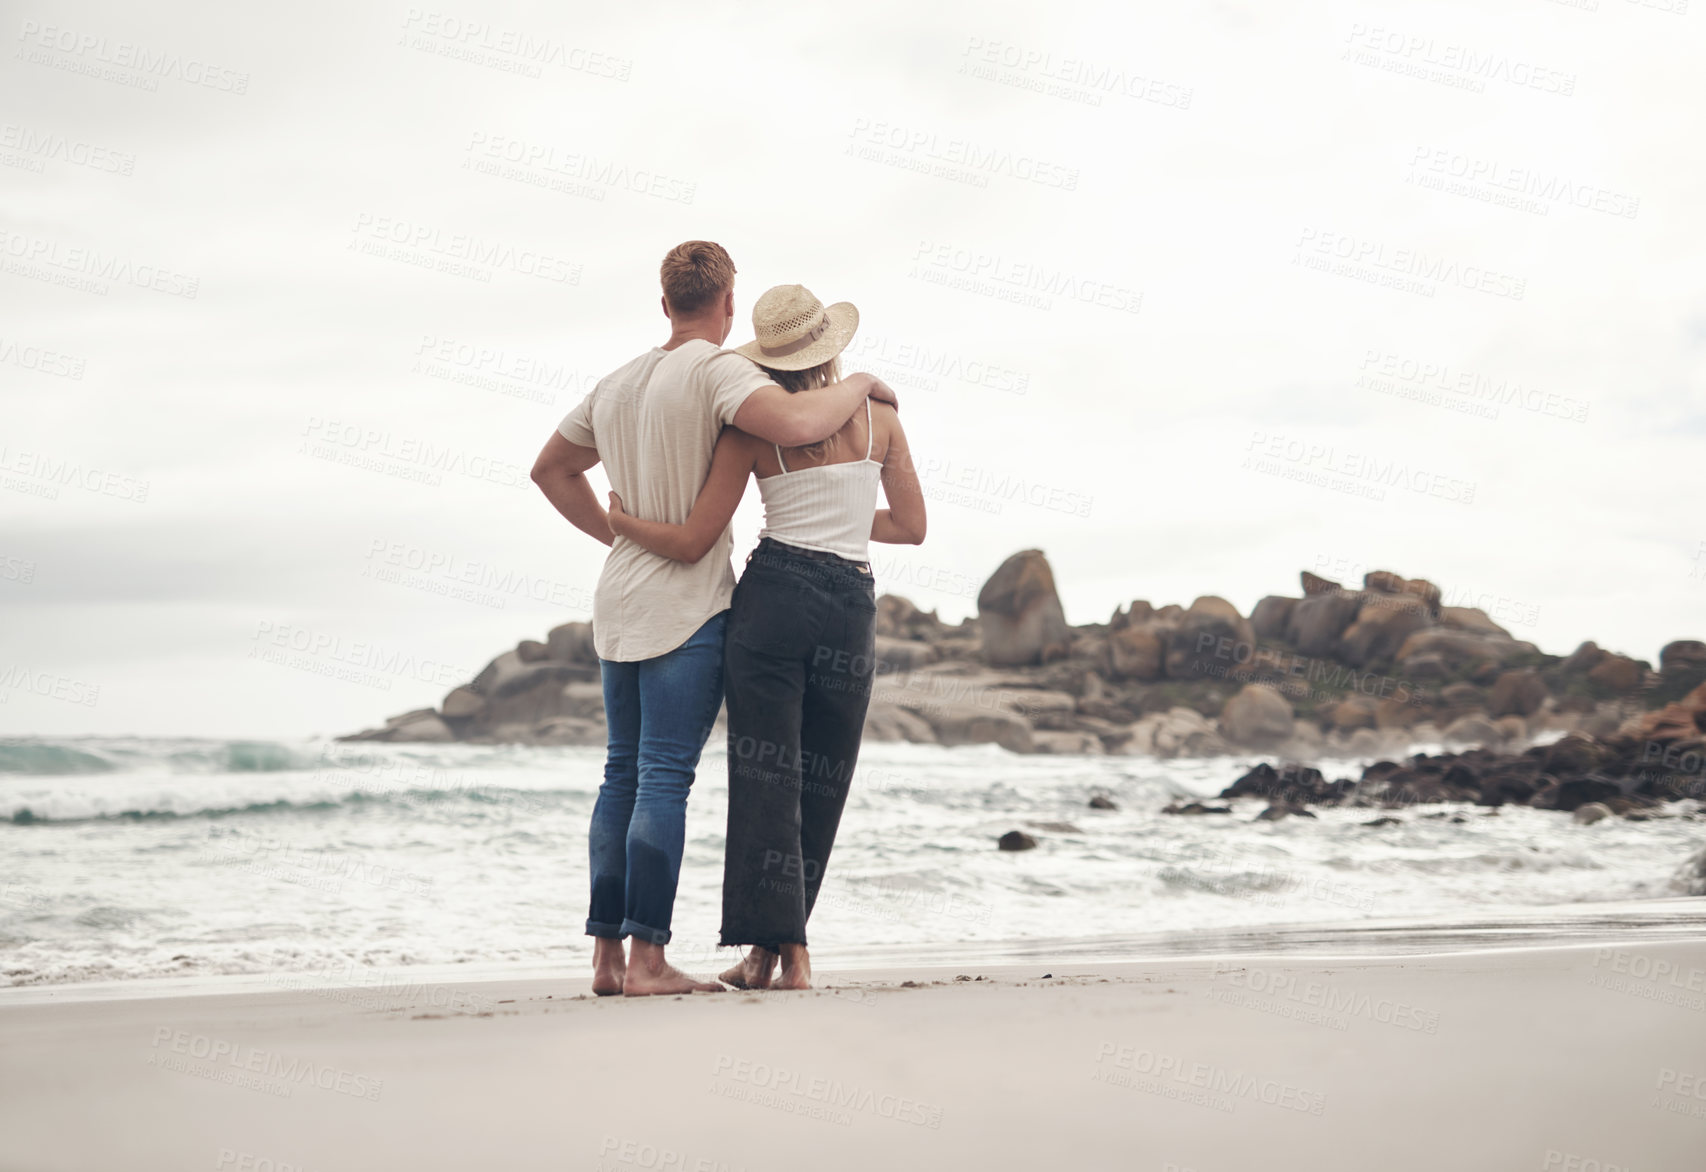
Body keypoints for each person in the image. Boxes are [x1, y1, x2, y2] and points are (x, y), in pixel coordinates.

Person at [530, 245, 897, 997]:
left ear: (664, 303)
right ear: (729, 303)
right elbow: (799, 421)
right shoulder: (720, 371)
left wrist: (617, 531)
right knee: (664, 776)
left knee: (620, 775)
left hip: (618, 598)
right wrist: (859, 379)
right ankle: (647, 962)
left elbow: (551, 471)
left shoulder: (617, 381)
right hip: (686, 604)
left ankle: (604, 959)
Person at [607, 283, 927, 991]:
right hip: (850, 602)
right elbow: (910, 526)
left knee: (764, 778)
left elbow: (699, 531)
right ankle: (795, 956)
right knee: (824, 778)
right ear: (831, 347)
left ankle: (762, 953)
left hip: (773, 596)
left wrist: (625, 523)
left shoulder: (750, 430)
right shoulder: (883, 422)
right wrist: (844, 512)